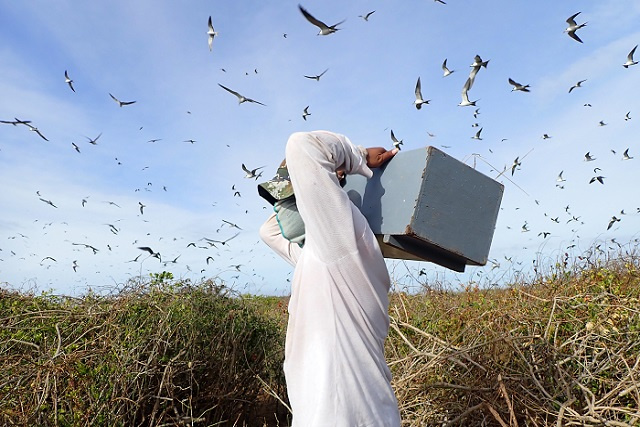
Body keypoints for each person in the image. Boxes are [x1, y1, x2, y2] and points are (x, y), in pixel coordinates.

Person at [259, 130, 401, 426]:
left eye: (288, 199)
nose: (280, 207)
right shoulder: (319, 260)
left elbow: (303, 145)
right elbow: (270, 232)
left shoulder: (342, 246)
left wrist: (357, 158)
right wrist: (291, 190)